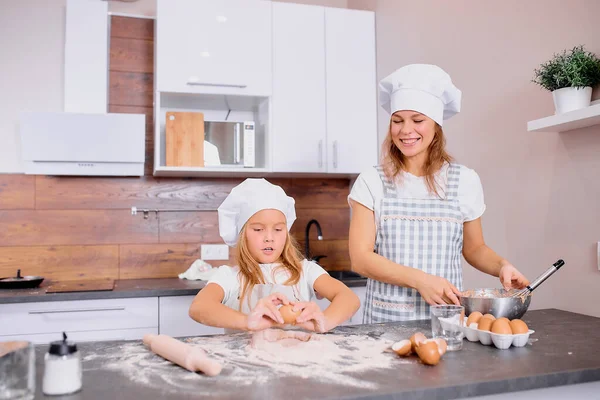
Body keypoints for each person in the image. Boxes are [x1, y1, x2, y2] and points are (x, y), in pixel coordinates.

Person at [348, 64, 530, 323]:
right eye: (397, 121)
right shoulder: (372, 182)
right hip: (384, 323)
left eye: (418, 120)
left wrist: (502, 266)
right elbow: (360, 259)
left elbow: (474, 248)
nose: (406, 130)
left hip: (446, 323)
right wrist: (421, 281)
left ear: (436, 125)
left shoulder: (464, 181)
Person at [189, 178, 360, 332]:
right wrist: (247, 321)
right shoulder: (230, 276)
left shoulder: (305, 271)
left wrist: (324, 321)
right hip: (246, 363)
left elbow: (349, 298)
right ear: (242, 234)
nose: (269, 238)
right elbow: (199, 307)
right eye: (258, 229)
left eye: (278, 229)